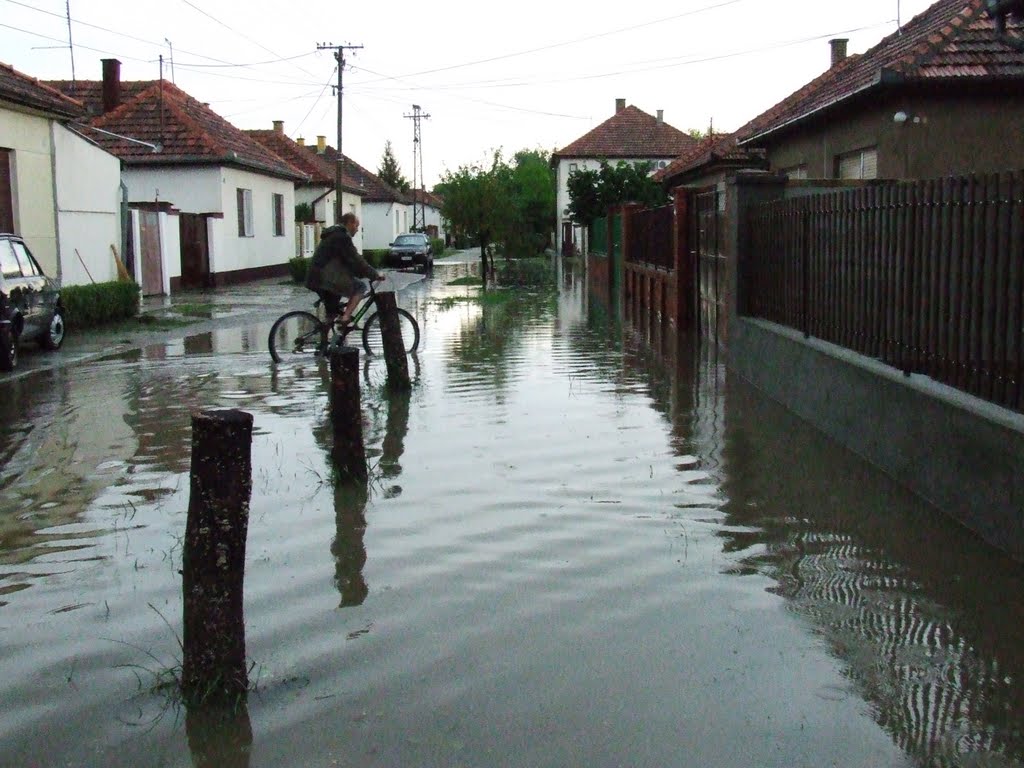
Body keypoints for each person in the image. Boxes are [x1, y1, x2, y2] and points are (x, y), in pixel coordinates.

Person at [305, 213, 384, 328]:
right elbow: (356, 259)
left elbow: (347, 262)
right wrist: (375, 274)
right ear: (350, 223)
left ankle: (324, 341)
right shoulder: (342, 237)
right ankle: (345, 318)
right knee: (360, 287)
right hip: (325, 278)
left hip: (316, 277)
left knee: (332, 313)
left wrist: (362, 273)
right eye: (356, 226)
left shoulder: (334, 235)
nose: (357, 230)